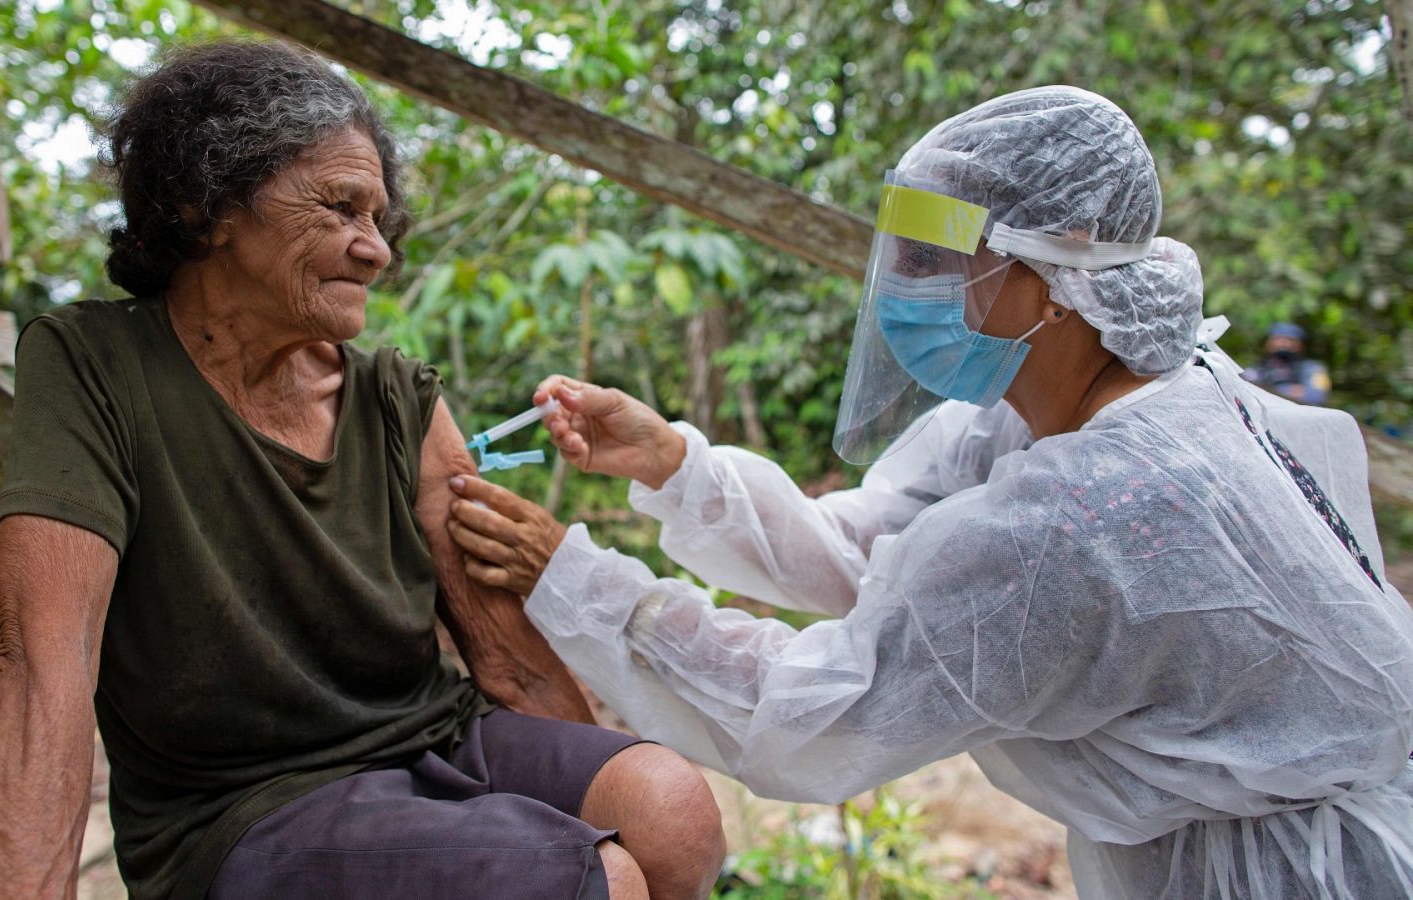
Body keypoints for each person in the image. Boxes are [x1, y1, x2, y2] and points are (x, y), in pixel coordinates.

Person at [446, 86, 1413, 899]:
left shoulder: (1093, 508)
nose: (902, 288)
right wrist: (672, 462)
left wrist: (577, 582)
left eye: (933, 259)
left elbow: (815, 712)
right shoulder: (1067, 401)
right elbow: (869, 551)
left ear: (1059, 258)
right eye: (898, 256)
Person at [0, 41, 723, 900]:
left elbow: (506, 660)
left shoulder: (397, 396)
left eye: (378, 218)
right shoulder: (93, 366)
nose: (377, 251)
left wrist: (574, 829)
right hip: (244, 806)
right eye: (340, 208)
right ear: (206, 203)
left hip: (434, 738)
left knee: (671, 812)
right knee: (594, 883)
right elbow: (39, 671)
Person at [1242, 322, 1332, 405]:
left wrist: (1265, 389)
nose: (1283, 344)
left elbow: (1316, 397)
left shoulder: (1313, 368)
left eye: (1290, 340)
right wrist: (1292, 390)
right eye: (1277, 339)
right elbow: (1241, 393)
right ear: (1267, 343)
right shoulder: (1256, 369)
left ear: (1301, 345)